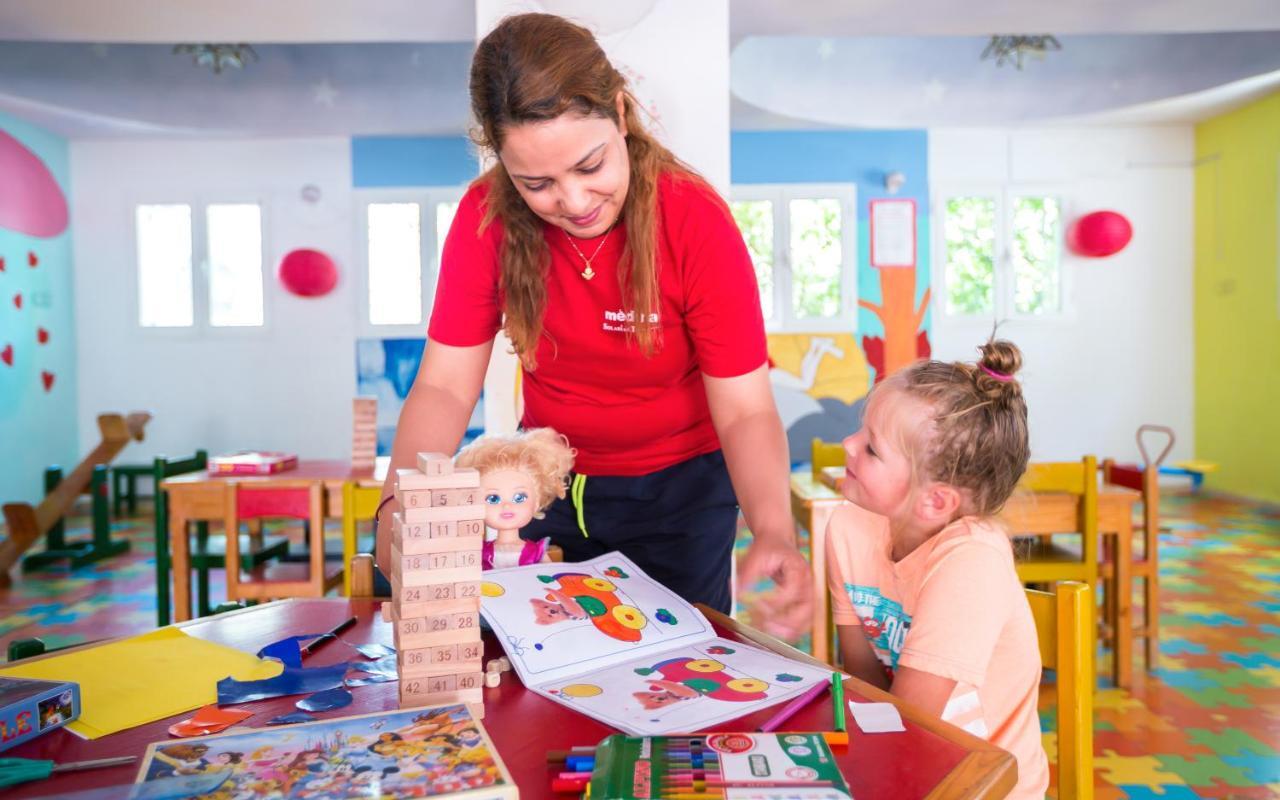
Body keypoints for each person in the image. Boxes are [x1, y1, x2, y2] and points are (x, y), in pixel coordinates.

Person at [375, 12, 808, 632]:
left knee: (672, 667)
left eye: (590, 166)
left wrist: (771, 526)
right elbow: (444, 384)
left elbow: (745, 409)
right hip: (548, 484)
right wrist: (398, 501)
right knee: (545, 663)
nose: (574, 203)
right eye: (537, 184)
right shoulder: (485, 220)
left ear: (622, 115)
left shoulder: (694, 220)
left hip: (680, 494)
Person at [824, 339, 1048, 799]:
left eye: (871, 449)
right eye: (859, 432)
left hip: (985, 787)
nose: (848, 444)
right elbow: (864, 679)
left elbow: (908, 718)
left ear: (934, 501)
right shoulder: (847, 527)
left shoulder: (973, 561)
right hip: (906, 762)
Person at [453, 428, 574, 569]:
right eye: (493, 499)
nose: (507, 506)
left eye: (519, 497)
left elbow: (548, 579)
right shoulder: (480, 553)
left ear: (536, 502)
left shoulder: (536, 553)